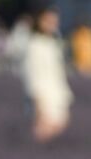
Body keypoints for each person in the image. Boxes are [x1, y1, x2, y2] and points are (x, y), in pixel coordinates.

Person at [21, 7, 73, 142]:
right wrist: (39, 105)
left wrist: (65, 98)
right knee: (43, 138)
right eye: (48, 20)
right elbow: (33, 76)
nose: (52, 24)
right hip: (44, 101)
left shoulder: (53, 43)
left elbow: (58, 75)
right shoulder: (34, 45)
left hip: (57, 98)